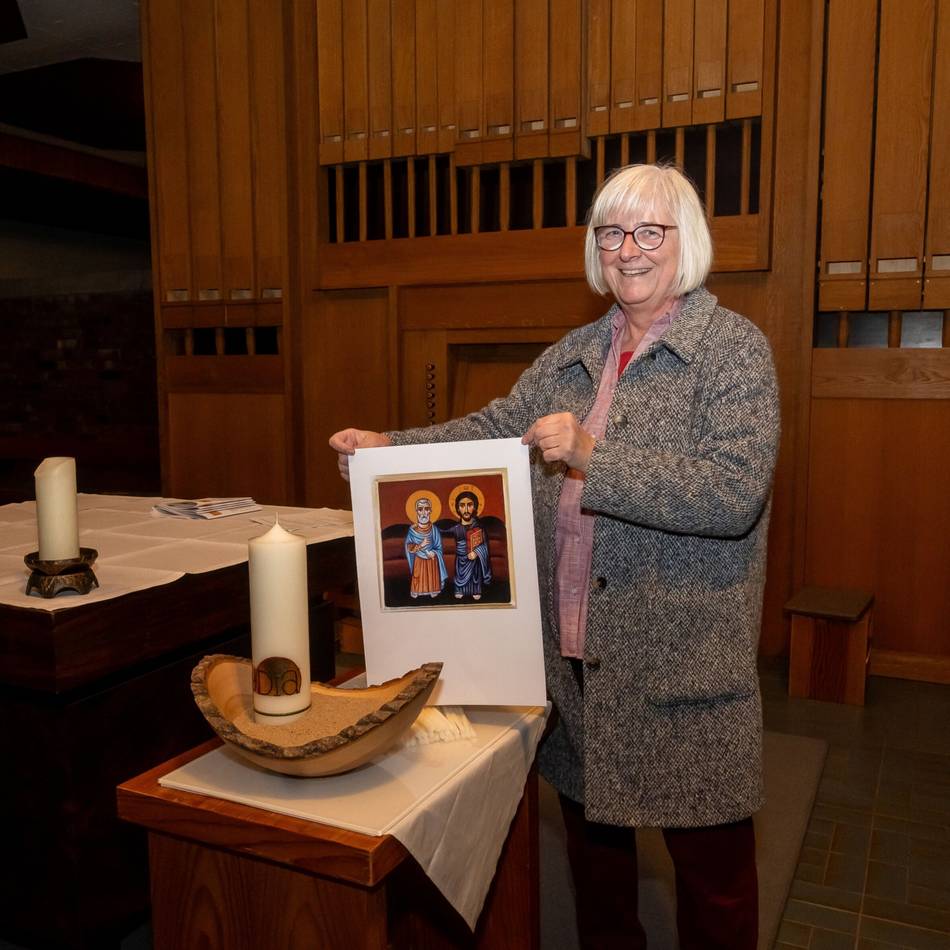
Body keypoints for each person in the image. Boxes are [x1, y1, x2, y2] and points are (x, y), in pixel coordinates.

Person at [330, 163, 780, 949]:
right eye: (611, 232)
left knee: (717, 894)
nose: (628, 250)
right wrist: (387, 446)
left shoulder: (734, 352)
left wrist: (591, 455)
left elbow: (731, 495)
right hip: (579, 665)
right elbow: (495, 425)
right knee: (599, 885)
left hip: (680, 673)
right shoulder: (573, 354)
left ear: (688, 241)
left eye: (649, 231)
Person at [446, 487, 491, 600]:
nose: (466, 509)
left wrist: (476, 552)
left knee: (475, 572)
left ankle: (476, 589)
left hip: (474, 560)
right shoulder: (455, 528)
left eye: (469, 505)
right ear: (457, 508)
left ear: (475, 507)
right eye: (462, 505)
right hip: (460, 560)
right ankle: (459, 589)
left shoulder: (479, 527)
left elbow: (485, 545)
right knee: (459, 572)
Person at [404, 493, 446, 599]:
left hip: (431, 559)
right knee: (418, 577)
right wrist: (420, 545)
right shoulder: (412, 530)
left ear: (430, 511)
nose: (423, 512)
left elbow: (439, 547)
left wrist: (434, 553)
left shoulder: (434, 529)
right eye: (420, 509)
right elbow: (408, 546)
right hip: (418, 559)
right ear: (417, 511)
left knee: (432, 578)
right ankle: (416, 590)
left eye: (426, 509)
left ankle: (433, 589)